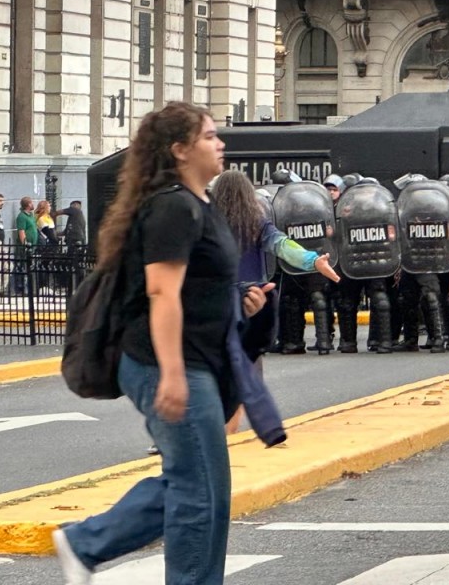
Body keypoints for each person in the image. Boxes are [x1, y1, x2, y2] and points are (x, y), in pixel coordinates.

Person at [52, 101, 274, 585]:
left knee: (206, 490)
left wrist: (242, 303)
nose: (221, 143)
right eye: (209, 136)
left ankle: (85, 542)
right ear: (179, 150)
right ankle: (88, 542)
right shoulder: (172, 206)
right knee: (196, 493)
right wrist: (171, 372)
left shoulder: (201, 204)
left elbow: (199, 289)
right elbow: (162, 291)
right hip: (165, 363)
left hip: (197, 363)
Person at [211, 169, 339, 431]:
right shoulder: (256, 222)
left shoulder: (206, 221)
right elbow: (283, 246)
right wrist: (313, 260)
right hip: (253, 298)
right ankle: (227, 430)